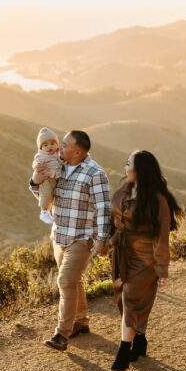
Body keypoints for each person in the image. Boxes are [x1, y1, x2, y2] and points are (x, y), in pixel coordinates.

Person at [29, 129, 111, 351]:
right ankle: (81, 323)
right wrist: (35, 181)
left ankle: (61, 334)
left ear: (77, 152)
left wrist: (102, 240)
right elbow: (44, 193)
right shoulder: (59, 165)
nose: (58, 147)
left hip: (81, 237)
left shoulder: (95, 174)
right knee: (74, 282)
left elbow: (104, 209)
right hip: (59, 235)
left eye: (64, 145)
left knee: (65, 281)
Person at [108, 150, 183, 371]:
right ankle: (140, 339)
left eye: (129, 164)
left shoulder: (158, 200)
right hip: (121, 253)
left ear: (139, 169)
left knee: (132, 301)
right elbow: (113, 217)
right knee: (123, 300)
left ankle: (123, 350)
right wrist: (105, 241)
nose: (125, 167)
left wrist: (162, 269)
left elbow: (161, 237)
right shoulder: (124, 189)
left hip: (145, 260)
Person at [32, 127, 62, 225]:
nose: (49, 147)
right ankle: (44, 212)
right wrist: (37, 165)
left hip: (55, 179)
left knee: (51, 196)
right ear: (41, 148)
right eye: (45, 145)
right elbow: (36, 162)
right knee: (46, 194)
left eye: (52, 144)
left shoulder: (58, 154)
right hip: (46, 179)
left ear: (57, 144)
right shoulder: (41, 155)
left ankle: (47, 211)